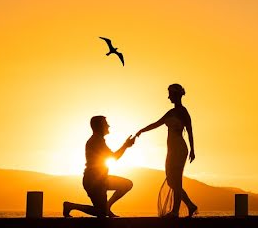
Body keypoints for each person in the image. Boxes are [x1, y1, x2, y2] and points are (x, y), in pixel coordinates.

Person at [135, 83, 198, 217]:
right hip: (171, 150)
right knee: (170, 181)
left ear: (176, 95)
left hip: (179, 149)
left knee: (177, 180)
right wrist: (142, 130)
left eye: (170, 94)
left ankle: (175, 211)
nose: (168, 97)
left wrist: (192, 150)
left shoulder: (183, 112)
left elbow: (191, 132)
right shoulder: (171, 112)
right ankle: (190, 205)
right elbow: (157, 123)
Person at [63, 116, 136, 218]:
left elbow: (112, 157)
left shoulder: (98, 140)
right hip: (93, 181)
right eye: (106, 124)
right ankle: (70, 206)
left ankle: (106, 207)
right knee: (101, 213)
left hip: (101, 179)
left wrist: (125, 146)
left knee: (127, 184)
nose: (108, 126)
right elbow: (114, 157)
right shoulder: (96, 141)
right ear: (100, 126)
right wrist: (125, 145)